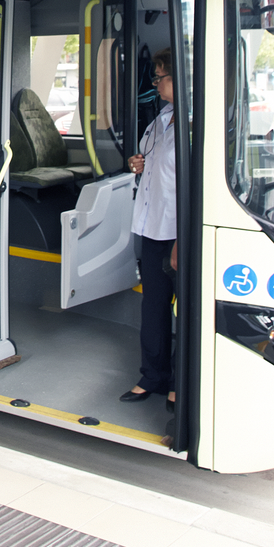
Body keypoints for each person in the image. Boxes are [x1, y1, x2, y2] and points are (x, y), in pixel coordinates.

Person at [121, 49, 178, 407]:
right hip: (152, 228)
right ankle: (152, 376)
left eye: (160, 77)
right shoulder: (160, 120)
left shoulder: (194, 122)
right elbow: (144, 162)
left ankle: (179, 382)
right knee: (153, 307)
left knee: (184, 312)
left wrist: (183, 240)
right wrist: (136, 164)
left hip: (178, 233)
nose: (155, 83)